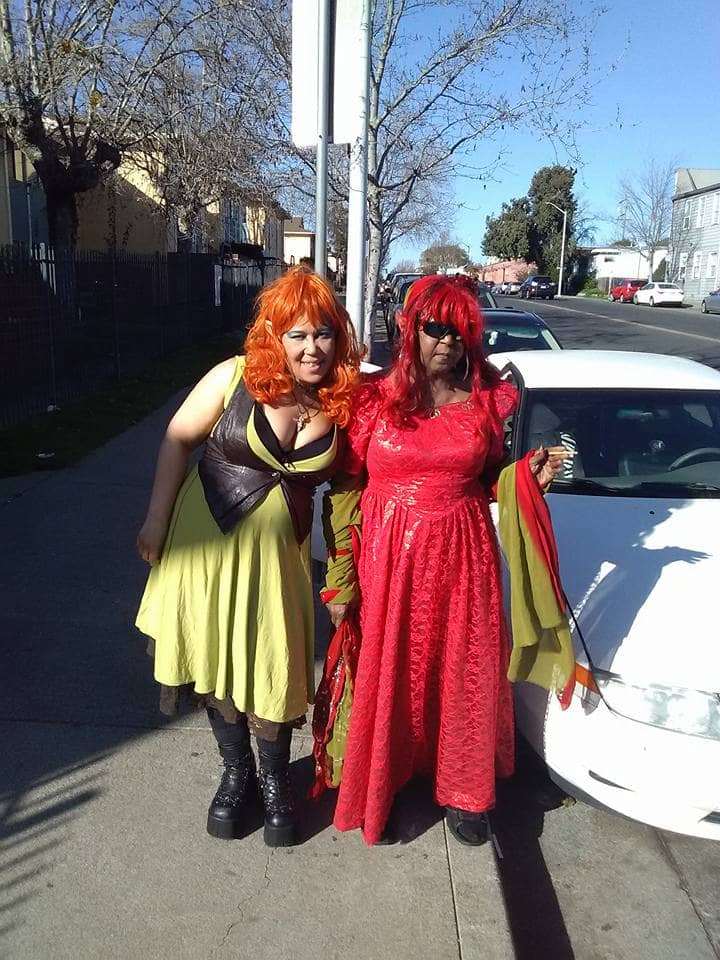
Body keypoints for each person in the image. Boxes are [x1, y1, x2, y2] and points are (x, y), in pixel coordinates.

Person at [321, 274, 567, 846]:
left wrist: (525, 479)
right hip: (388, 561)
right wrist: (339, 581)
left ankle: (463, 791)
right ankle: (385, 782)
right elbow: (346, 491)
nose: (448, 342)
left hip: (463, 559)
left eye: (459, 332)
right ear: (410, 329)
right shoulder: (371, 400)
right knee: (392, 670)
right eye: (436, 329)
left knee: (462, 668)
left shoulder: (486, 401)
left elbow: (489, 480)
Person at [135, 267, 360, 847]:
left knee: (272, 664)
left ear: (338, 337)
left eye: (323, 334)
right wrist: (156, 518)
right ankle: (236, 775)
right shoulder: (233, 376)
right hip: (205, 548)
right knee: (216, 660)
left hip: (280, 563)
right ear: (275, 336)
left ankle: (273, 778)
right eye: (297, 335)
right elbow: (178, 438)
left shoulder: (343, 399)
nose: (312, 348)